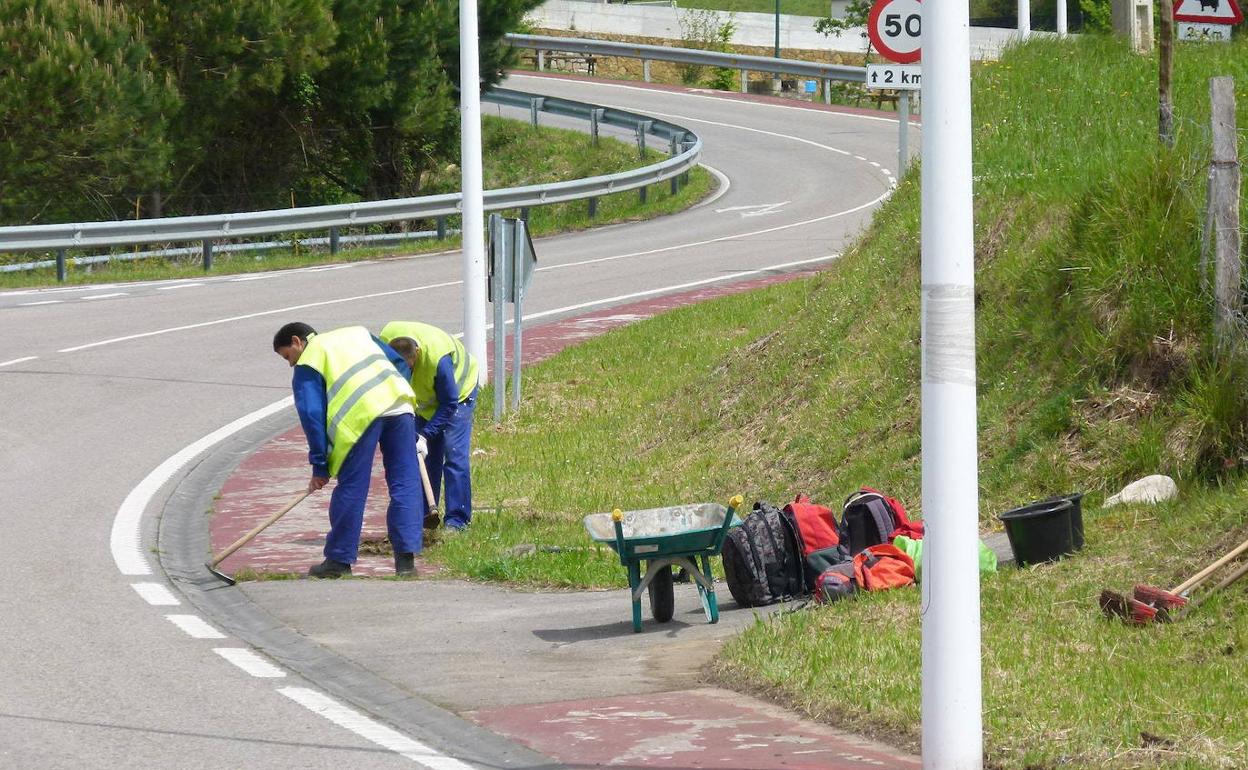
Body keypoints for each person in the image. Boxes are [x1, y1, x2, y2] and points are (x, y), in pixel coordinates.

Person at [273, 322, 426, 577]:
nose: (290, 363)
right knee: (405, 483)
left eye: (288, 356)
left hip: (361, 418)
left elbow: (311, 414)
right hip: (400, 406)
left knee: (352, 488)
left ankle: (339, 561)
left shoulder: (309, 360)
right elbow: (399, 363)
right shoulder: (358, 333)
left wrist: (320, 465)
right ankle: (406, 563)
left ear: (297, 341)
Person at [378, 321, 479, 531]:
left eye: (410, 367)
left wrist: (426, 434)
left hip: (458, 395)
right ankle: (424, 516)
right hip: (423, 402)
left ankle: (457, 521)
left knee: (454, 454)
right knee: (423, 456)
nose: (407, 373)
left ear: (417, 353)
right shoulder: (384, 344)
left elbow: (449, 402)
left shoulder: (438, 359)